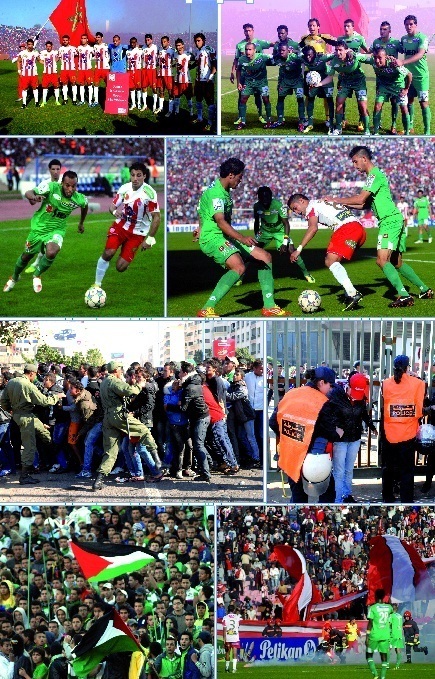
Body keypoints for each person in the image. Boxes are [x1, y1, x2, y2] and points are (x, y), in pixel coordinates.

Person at [323, 145, 433, 307]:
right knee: (396, 262)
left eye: (355, 162)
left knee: (382, 260)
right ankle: (424, 289)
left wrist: (336, 200)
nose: (354, 166)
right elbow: (364, 205)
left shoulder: (374, 175)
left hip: (389, 221)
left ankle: (403, 295)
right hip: (394, 220)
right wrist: (344, 205)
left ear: (364, 159)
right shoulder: (372, 177)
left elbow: (360, 200)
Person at [196, 157, 289, 318]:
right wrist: (241, 238)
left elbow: (201, 208)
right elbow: (220, 221)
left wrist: (200, 226)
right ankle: (207, 308)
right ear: (231, 175)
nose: (241, 180)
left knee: (265, 257)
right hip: (213, 238)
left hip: (223, 236)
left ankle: (269, 306)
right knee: (238, 267)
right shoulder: (216, 194)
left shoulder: (220, 189)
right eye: (240, 176)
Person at [3, 171, 88, 294]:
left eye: (73, 186)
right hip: (39, 229)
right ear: (62, 183)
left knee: (52, 251)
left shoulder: (79, 198)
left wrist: (81, 223)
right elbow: (29, 192)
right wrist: (34, 197)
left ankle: (37, 275)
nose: (70, 189)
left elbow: (85, 205)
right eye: (67, 185)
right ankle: (15, 277)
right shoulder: (51, 187)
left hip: (57, 230)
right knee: (26, 256)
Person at [272, 366, 343, 502]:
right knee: (327, 495)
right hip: (313, 459)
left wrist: (289, 437)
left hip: (291, 457)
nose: (331, 389)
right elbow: (328, 432)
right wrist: (338, 433)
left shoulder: (291, 394)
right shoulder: (322, 402)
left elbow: (273, 422)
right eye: (330, 385)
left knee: (298, 497)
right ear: (321, 383)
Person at [288, 192, 366, 310]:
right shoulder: (325, 201)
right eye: (294, 211)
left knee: (330, 261)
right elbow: (361, 206)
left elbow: (313, 228)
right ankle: (349, 293)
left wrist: (298, 250)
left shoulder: (311, 207)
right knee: (335, 261)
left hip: (346, 228)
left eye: (295, 208)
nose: (296, 212)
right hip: (360, 230)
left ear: (302, 201)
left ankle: (352, 294)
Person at [92, 360, 157, 491]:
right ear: (116, 370)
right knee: (143, 430)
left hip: (108, 417)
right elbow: (128, 390)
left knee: (110, 451)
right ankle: (158, 461)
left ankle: (98, 481)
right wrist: (139, 385)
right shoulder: (113, 381)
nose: (121, 371)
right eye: (120, 369)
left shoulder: (104, 381)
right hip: (117, 415)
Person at [94, 162, 160, 289]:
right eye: (133, 175)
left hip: (137, 233)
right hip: (121, 226)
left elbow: (156, 217)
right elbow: (112, 206)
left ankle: (126, 258)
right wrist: (114, 211)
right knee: (108, 252)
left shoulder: (149, 193)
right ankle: (97, 285)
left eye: (138, 175)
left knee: (120, 267)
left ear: (144, 176)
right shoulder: (124, 188)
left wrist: (150, 239)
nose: (135, 178)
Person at [0, 363, 62, 485]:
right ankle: (24, 476)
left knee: (44, 433)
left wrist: (11, 410)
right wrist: (56, 397)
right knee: (29, 446)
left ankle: (53, 456)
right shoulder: (28, 385)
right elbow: (44, 401)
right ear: (32, 373)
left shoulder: (11, 382)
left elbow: (3, 401)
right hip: (26, 417)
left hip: (19, 415)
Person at [381, 355, 425, 503]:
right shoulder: (417, 384)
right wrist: (415, 376)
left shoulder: (386, 383)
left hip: (389, 433)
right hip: (408, 433)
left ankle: (387, 497)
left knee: (388, 468)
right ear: (408, 367)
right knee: (407, 470)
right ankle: (406, 499)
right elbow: (419, 410)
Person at [329, 373, 378, 503]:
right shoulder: (335, 395)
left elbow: (363, 414)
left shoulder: (361, 398)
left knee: (349, 470)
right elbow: (327, 414)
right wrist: (335, 427)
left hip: (355, 438)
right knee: (339, 471)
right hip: (340, 440)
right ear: (348, 386)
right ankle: (337, 500)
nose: (356, 397)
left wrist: (372, 427)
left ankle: (347, 495)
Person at [254, 186, 314, 284]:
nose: (265, 199)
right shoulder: (256, 206)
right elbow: (256, 222)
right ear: (258, 197)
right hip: (265, 231)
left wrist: (285, 241)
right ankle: (240, 276)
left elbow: (286, 224)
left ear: (271, 196)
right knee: (252, 249)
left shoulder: (278, 205)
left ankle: (306, 273)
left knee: (291, 250)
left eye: (267, 197)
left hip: (280, 231)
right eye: (262, 197)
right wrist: (256, 236)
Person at [317, 41, 371, 135]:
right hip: (345, 81)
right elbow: (330, 77)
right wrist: (319, 84)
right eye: (336, 50)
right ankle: (338, 128)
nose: (338, 52)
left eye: (340, 50)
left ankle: (367, 130)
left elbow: (370, 58)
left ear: (346, 50)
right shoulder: (334, 61)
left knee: (363, 105)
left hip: (359, 81)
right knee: (339, 102)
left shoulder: (355, 56)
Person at [359, 47, 412, 136]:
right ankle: (375, 133)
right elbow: (360, 56)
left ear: (386, 57)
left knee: (403, 108)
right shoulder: (373, 61)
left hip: (398, 87)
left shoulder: (393, 63)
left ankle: (407, 134)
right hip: (384, 87)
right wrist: (350, 52)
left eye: (380, 58)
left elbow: (409, 75)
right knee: (377, 106)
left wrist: (406, 89)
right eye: (375, 57)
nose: (377, 60)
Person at [230, 23, 272, 126]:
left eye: (249, 30)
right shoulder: (240, 45)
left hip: (259, 76)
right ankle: (241, 117)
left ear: (253, 31)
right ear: (244, 32)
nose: (247, 33)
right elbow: (236, 60)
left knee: (259, 95)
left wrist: (283, 44)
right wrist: (232, 72)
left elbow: (272, 44)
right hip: (245, 76)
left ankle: (260, 115)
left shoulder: (259, 42)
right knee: (242, 96)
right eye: (246, 31)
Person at [397, 15, 431, 135]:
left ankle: (427, 131)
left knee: (423, 103)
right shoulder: (403, 39)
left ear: (416, 24)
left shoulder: (422, 38)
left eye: (411, 24)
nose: (409, 26)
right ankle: (410, 126)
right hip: (408, 76)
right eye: (407, 24)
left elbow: (420, 54)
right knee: (409, 101)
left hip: (421, 77)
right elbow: (398, 48)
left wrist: (403, 62)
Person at [370, 21, 402, 134]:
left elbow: (406, 51)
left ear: (390, 31)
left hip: (394, 79)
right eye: (381, 29)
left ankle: (393, 125)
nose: (382, 31)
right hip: (381, 79)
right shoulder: (376, 42)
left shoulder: (396, 42)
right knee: (379, 102)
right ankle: (377, 126)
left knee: (394, 102)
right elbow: (370, 53)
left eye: (385, 29)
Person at [235, 43, 274, 130]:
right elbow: (238, 70)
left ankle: (269, 120)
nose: (247, 51)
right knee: (243, 99)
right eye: (246, 49)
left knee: (266, 99)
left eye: (250, 49)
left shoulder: (262, 57)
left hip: (262, 82)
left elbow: (274, 58)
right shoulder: (242, 59)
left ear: (254, 50)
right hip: (248, 82)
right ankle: (243, 121)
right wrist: (239, 83)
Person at [270, 43, 306, 131]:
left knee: (300, 99)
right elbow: (269, 61)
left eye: (283, 50)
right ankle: (280, 120)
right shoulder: (277, 58)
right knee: (280, 98)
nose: (281, 52)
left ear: (288, 51)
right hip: (285, 81)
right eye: (280, 50)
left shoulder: (295, 57)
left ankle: (301, 121)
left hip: (297, 81)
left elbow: (306, 59)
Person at [366, 589, 393, 679]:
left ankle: (375, 674)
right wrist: (389, 601)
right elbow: (392, 610)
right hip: (385, 635)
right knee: (384, 656)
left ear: (376, 596)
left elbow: (370, 623)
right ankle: (383, 677)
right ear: (384, 596)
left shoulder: (372, 608)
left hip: (374, 635)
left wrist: (367, 636)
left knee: (369, 654)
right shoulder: (389, 608)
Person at [192, 33, 216, 131]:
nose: (197, 43)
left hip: (207, 81)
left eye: (199, 41)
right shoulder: (197, 51)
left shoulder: (209, 49)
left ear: (203, 40)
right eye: (196, 41)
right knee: (198, 100)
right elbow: (195, 64)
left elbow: (215, 63)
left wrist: (211, 77)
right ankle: (199, 117)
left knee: (210, 103)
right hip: (198, 80)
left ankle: (210, 123)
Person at [18, 38, 40, 109]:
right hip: (25, 74)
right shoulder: (22, 53)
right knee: (24, 89)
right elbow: (19, 61)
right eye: (29, 44)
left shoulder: (35, 53)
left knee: (35, 88)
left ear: (33, 45)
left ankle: (36, 103)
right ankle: (24, 104)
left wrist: (47, 62)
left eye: (31, 44)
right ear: (27, 45)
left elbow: (39, 60)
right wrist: (19, 70)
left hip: (34, 74)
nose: (30, 46)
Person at [156, 36, 175, 115]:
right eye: (162, 41)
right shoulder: (160, 50)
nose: (163, 43)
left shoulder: (172, 50)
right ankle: (161, 108)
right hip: (161, 74)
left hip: (169, 75)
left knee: (170, 92)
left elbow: (175, 62)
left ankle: (170, 110)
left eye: (164, 41)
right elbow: (157, 61)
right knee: (161, 91)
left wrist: (172, 65)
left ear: (168, 42)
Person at [38, 41, 60, 107]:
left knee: (56, 87)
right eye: (47, 46)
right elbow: (39, 60)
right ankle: (44, 101)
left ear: (51, 46)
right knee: (45, 87)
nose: (48, 48)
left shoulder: (55, 52)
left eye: (49, 46)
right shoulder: (43, 53)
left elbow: (58, 57)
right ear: (46, 46)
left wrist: (56, 60)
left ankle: (57, 101)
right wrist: (44, 63)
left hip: (54, 73)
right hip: (46, 73)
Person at [57, 35, 78, 105]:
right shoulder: (60, 49)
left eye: (66, 40)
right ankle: (65, 99)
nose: (65, 41)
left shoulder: (73, 48)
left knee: (73, 83)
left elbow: (76, 55)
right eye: (64, 40)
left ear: (69, 40)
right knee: (64, 84)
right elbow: (58, 58)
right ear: (62, 41)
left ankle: (74, 100)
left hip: (71, 69)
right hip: (64, 70)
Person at [76, 34, 95, 107]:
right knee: (81, 84)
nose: (83, 40)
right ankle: (82, 100)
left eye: (85, 38)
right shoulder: (79, 48)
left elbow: (94, 55)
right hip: (81, 69)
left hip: (88, 69)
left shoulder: (90, 48)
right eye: (82, 38)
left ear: (87, 40)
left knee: (89, 84)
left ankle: (90, 101)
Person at [141, 34, 158, 113]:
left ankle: (154, 105)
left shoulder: (156, 47)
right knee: (144, 88)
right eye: (146, 40)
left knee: (154, 88)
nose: (147, 41)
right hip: (145, 70)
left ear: (151, 40)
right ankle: (145, 105)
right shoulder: (143, 48)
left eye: (148, 40)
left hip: (152, 70)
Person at [93, 32, 110, 106]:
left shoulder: (107, 46)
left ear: (102, 38)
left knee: (108, 84)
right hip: (97, 68)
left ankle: (108, 98)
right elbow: (93, 56)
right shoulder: (94, 47)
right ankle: (96, 101)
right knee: (96, 84)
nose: (97, 38)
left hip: (105, 68)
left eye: (99, 37)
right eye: (96, 37)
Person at [222, 604, 241, 673]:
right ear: (234, 610)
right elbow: (238, 626)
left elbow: (224, 629)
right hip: (235, 637)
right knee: (235, 653)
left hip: (228, 637)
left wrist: (224, 639)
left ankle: (227, 668)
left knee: (227, 652)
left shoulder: (225, 618)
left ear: (228, 610)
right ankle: (234, 669)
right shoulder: (237, 617)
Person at [127, 37, 143, 112]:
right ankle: (133, 104)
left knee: (139, 88)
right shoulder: (127, 51)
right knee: (132, 88)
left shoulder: (140, 50)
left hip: (137, 71)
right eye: (131, 42)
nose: (132, 44)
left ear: (136, 43)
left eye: (134, 42)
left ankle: (139, 103)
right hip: (129, 71)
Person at [389, 604, 404, 669]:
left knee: (388, 649)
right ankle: (397, 666)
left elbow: (389, 624)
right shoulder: (400, 616)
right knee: (398, 650)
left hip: (393, 634)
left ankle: (386, 664)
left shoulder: (391, 616)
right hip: (399, 634)